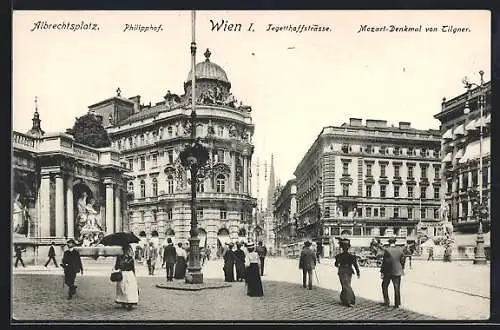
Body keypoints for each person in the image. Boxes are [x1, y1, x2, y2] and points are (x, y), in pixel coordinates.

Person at [380, 236, 406, 309]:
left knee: (384, 286)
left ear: (389, 242)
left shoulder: (387, 250)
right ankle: (397, 304)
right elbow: (403, 260)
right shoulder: (400, 250)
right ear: (395, 242)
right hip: (397, 271)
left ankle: (387, 302)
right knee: (397, 287)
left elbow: (384, 262)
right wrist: (401, 267)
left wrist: (382, 271)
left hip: (388, 272)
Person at [334, 238, 360, 307]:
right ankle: (344, 299)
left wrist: (339, 263)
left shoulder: (339, 256)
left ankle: (350, 300)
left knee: (345, 285)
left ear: (342, 248)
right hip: (349, 271)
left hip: (342, 271)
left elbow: (336, 264)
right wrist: (358, 272)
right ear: (348, 248)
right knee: (347, 284)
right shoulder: (352, 256)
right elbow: (355, 265)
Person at [114, 245, 139, 310]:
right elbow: (133, 269)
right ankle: (128, 302)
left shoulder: (120, 258)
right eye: (128, 250)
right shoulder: (130, 259)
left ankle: (124, 302)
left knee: (123, 289)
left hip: (124, 274)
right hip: (128, 274)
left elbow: (116, 267)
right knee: (127, 289)